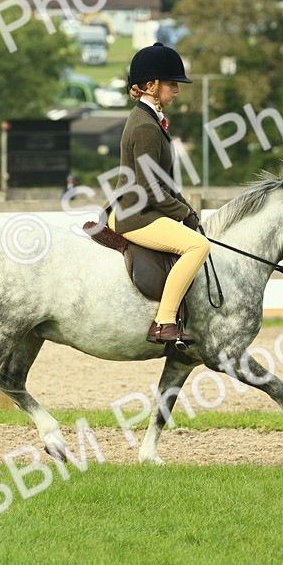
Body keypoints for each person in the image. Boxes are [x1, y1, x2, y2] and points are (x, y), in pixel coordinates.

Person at [109, 42, 209, 346]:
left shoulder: (150, 120)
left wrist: (184, 207)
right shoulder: (145, 127)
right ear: (151, 85)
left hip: (143, 208)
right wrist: (183, 214)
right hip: (136, 215)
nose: (176, 89)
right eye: (171, 83)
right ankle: (164, 321)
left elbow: (163, 181)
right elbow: (150, 188)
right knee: (197, 247)